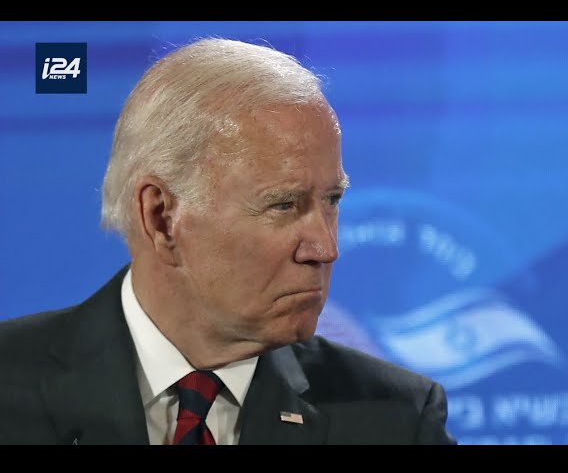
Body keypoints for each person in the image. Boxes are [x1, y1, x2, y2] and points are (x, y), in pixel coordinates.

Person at [0, 37, 456, 445]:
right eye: (283, 205)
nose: (325, 248)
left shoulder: (394, 420)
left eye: (332, 200)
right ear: (161, 217)